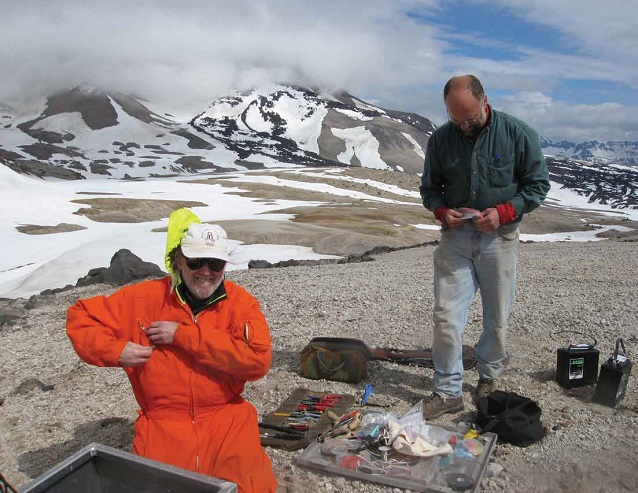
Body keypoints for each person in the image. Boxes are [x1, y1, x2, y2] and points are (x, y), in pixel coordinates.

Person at [66, 208, 277, 493]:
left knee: (252, 488)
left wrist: (183, 335)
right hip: (162, 424)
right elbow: (81, 316)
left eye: (215, 263)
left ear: (225, 266)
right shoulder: (142, 299)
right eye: (196, 261)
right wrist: (114, 350)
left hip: (226, 418)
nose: (205, 271)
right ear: (178, 260)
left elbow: (257, 363)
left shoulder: (241, 304)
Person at [419, 75, 550, 419]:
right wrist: (442, 211)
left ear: (484, 101)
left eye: (470, 118)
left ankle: (488, 379)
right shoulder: (442, 140)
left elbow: (537, 185)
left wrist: (504, 212)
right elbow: (429, 188)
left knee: (496, 318)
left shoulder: (518, 134)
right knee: (446, 316)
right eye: (456, 119)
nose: (464, 126)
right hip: (457, 239)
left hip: (499, 238)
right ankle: (448, 390)